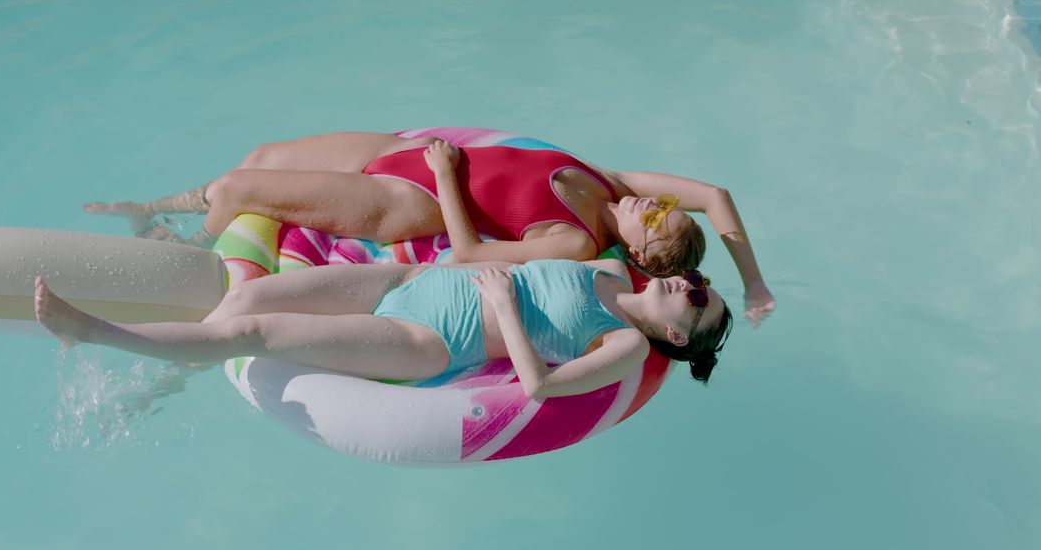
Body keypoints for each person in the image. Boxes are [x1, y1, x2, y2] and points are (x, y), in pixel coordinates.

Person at [84, 132, 774, 326]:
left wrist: (443, 172)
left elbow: (470, 250)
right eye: (660, 204)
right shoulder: (615, 186)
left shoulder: (576, 242)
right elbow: (716, 194)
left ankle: (181, 250)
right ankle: (157, 209)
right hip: (406, 147)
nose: (651, 204)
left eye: (655, 218)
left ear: (645, 252)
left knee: (237, 190)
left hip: (407, 193)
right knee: (262, 157)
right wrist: (755, 286)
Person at [34, 258, 733, 397]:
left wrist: (508, 314)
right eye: (701, 283)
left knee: (252, 336)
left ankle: (92, 331)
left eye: (697, 301)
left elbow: (539, 388)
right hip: (410, 284)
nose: (690, 286)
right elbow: (506, 263)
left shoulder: (622, 346)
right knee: (244, 305)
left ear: (679, 335)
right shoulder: (607, 265)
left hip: (431, 343)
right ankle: (167, 373)